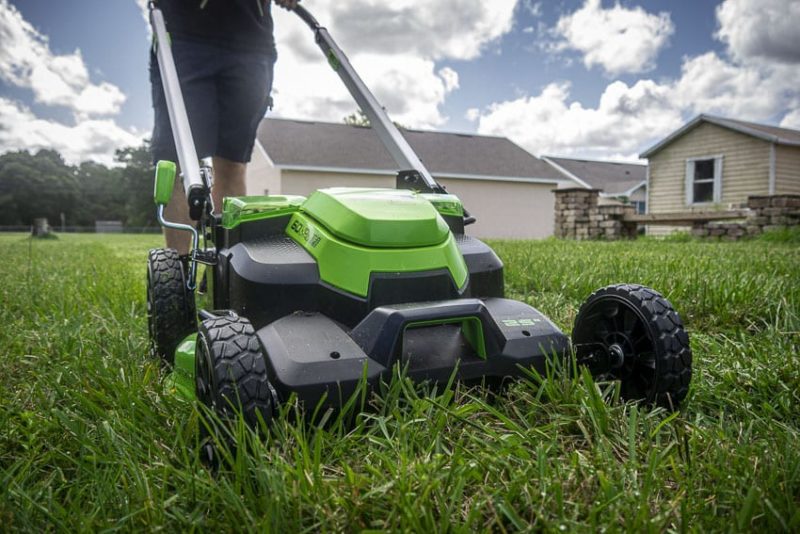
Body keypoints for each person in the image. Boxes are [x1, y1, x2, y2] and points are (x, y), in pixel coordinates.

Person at [150, 0, 298, 255]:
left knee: (233, 161)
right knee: (177, 159)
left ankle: (226, 271)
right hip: (185, 31)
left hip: (251, 40)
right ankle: (179, 272)